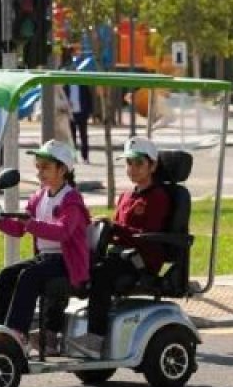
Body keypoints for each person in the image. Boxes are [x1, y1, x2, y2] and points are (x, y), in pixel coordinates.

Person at [70, 136, 171, 356]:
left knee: (101, 274)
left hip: (140, 261)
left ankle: (95, 339)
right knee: (77, 265)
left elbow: (146, 236)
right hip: (120, 256)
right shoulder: (126, 196)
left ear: (152, 166)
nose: (132, 169)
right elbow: (117, 233)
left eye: (138, 163)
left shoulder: (158, 197)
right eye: (128, 163)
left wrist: (115, 228)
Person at [0, 140, 92, 356]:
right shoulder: (39, 196)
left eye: (45, 167)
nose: (40, 172)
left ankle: (18, 333)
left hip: (67, 263)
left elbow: (63, 231)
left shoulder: (71, 199)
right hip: (46, 259)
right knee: (7, 275)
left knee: (28, 276)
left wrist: (31, 224)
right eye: (38, 166)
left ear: (62, 169)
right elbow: (19, 229)